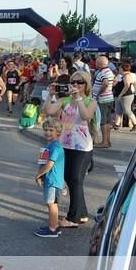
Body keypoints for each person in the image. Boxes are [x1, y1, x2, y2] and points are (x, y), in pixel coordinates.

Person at [43, 71, 96, 227]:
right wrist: (50, 95)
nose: (76, 85)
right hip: (64, 144)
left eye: (80, 82)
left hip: (82, 146)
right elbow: (49, 111)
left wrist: (78, 98)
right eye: (73, 82)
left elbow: (86, 116)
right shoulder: (64, 100)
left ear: (86, 85)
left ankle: (73, 218)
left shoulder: (90, 101)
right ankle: (82, 213)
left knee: (75, 179)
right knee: (71, 179)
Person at [33, 118, 65, 238]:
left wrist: (38, 174)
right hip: (50, 179)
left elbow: (49, 164)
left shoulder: (55, 147)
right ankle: (54, 225)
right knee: (51, 204)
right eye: (46, 130)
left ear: (58, 132)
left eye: (51, 130)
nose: (48, 132)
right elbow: (42, 162)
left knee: (51, 204)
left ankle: (52, 229)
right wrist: (40, 175)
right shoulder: (49, 145)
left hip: (53, 180)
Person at [91, 55, 115, 148]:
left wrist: (99, 93)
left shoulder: (102, 72)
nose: (96, 64)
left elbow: (105, 82)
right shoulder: (109, 71)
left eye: (97, 62)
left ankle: (104, 142)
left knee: (103, 121)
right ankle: (107, 141)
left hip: (103, 99)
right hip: (109, 98)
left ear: (100, 64)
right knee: (108, 121)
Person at [116, 62, 136, 132]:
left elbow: (127, 85)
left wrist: (120, 94)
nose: (119, 69)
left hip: (127, 95)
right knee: (119, 110)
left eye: (120, 68)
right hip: (124, 94)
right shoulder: (122, 75)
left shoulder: (127, 75)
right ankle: (117, 125)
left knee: (127, 110)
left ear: (123, 68)